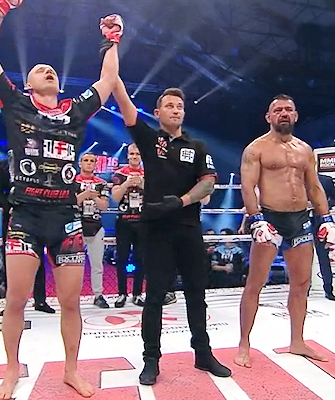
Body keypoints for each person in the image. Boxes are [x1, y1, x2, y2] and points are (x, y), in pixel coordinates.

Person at [0, 1, 121, 397]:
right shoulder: (16, 103)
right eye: (40, 69)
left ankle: (71, 370)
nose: (48, 70)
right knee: (16, 300)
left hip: (66, 217)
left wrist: (111, 41)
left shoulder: (75, 111)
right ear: (28, 84)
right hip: (25, 216)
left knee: (71, 302)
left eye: (52, 69)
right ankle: (10, 370)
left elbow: (108, 81)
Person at [112, 79, 231, 385]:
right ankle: (151, 359)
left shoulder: (197, 146)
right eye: (169, 105)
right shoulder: (150, 140)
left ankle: (203, 353)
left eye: (180, 106)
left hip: (189, 227)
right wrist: (112, 73)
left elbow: (209, 183)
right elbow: (125, 105)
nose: (176, 110)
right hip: (155, 230)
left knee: (196, 293)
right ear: (157, 112)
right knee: (154, 296)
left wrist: (180, 201)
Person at [235, 94, 335, 368]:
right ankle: (244, 343)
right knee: (255, 283)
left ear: (295, 115)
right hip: (270, 218)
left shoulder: (305, 150)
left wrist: (326, 218)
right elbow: (247, 186)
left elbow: (314, 186)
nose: (283, 113)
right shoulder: (256, 148)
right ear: (268, 117)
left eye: (288, 109)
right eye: (278, 110)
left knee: (302, 283)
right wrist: (256, 219)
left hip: (301, 219)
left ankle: (297, 341)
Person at [0, 158, 54, 316]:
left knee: (38, 256)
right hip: (12, 215)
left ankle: (40, 300)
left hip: (36, 215)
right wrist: (8, 206)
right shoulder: (4, 165)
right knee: (10, 259)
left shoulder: (37, 163)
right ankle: (11, 303)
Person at [111, 143, 146, 307]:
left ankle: (138, 293)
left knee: (141, 258)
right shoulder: (119, 173)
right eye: (132, 154)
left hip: (143, 221)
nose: (134, 157)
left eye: (137, 154)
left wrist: (142, 184)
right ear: (127, 155)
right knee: (122, 258)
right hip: (124, 221)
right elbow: (115, 197)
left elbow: (156, 195)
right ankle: (122, 293)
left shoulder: (149, 173)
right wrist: (126, 184)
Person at [74, 153, 110, 308]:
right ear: (80, 163)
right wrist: (86, 194)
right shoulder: (72, 181)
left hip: (96, 226)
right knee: (74, 265)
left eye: (92, 161)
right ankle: (72, 296)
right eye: (86, 160)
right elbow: (70, 203)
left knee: (97, 264)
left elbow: (105, 206)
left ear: (96, 164)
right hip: (76, 226)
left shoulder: (102, 183)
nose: (89, 163)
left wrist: (94, 197)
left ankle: (98, 295)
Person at [311, 173, 335, 301]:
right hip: (301, 221)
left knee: (323, 256)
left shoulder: (325, 180)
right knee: (302, 257)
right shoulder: (297, 178)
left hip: (321, 221)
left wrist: (321, 206)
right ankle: (303, 288)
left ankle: (328, 290)